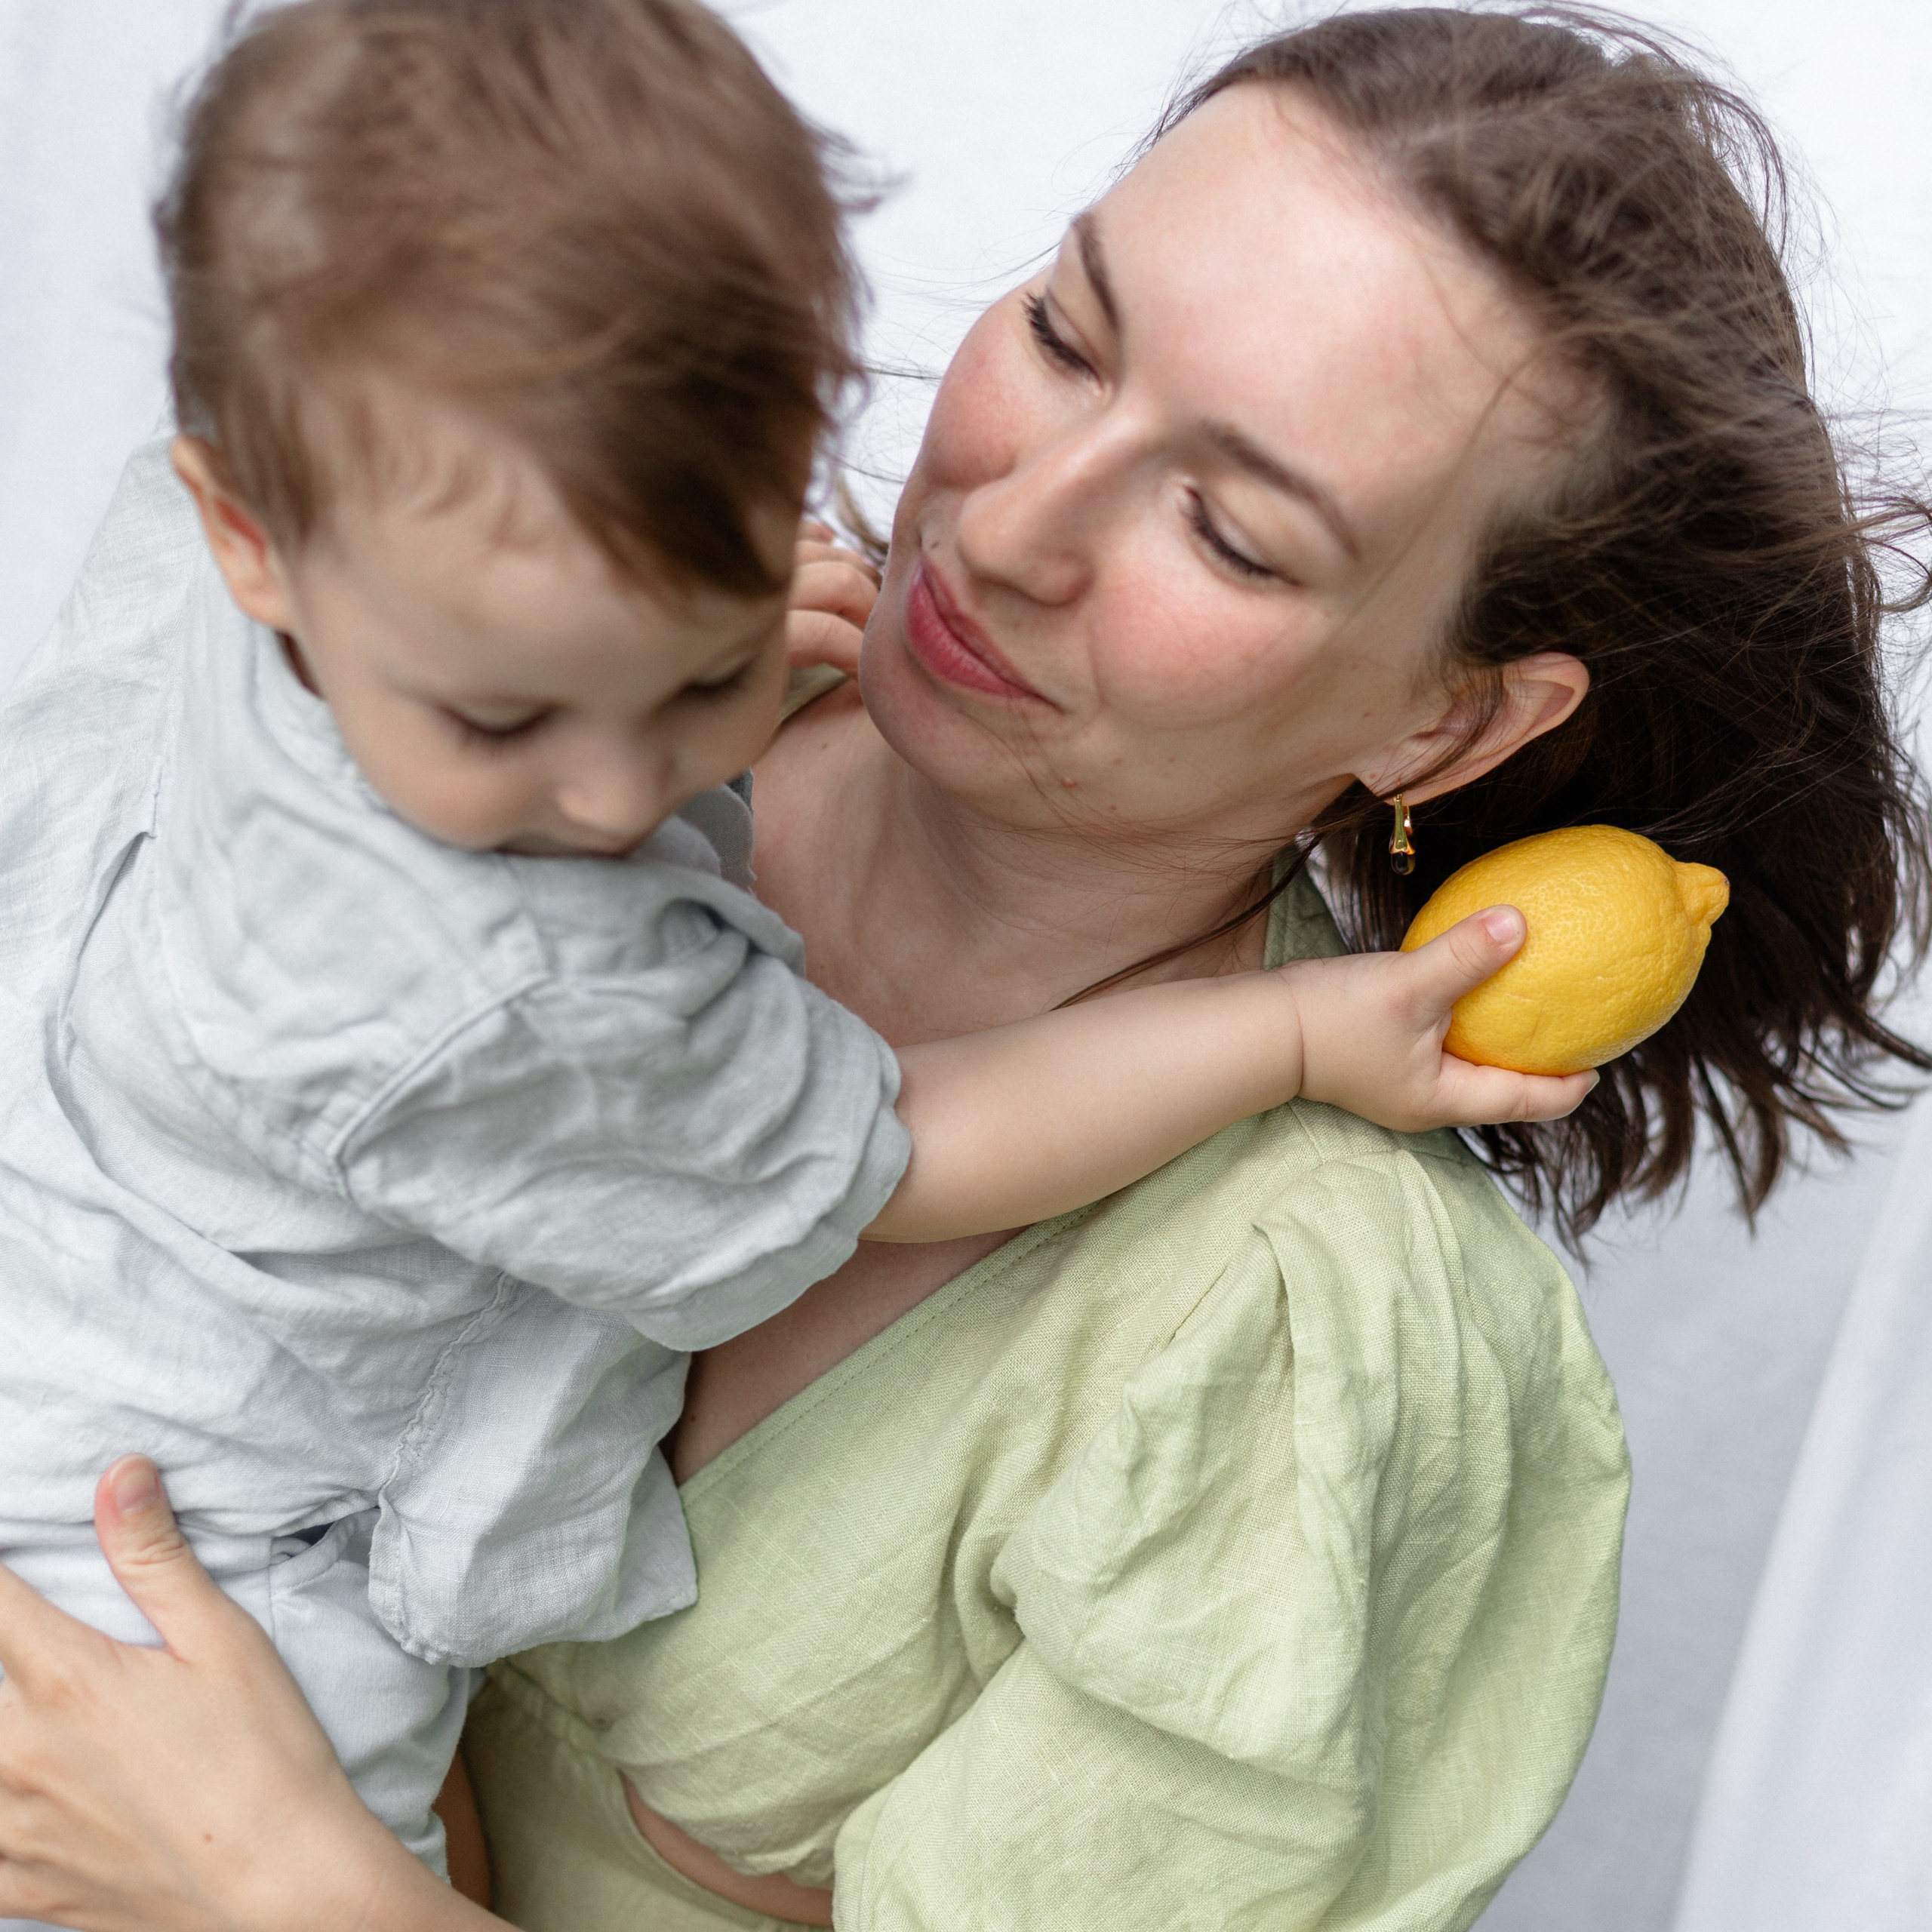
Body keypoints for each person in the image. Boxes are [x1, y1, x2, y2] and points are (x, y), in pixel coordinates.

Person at [0, 6, 1926, 1929]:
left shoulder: (1293, 1334)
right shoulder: (548, 625)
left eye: (1228, 531)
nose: (1005, 527)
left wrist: (279, 1884)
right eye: (1067, 333)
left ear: (1444, 720)